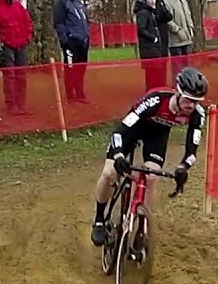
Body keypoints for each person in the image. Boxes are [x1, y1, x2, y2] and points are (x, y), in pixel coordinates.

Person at [89, 67, 208, 247]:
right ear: (177, 92)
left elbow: (192, 149)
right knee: (109, 173)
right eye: (188, 99)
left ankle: (142, 227)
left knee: (152, 176)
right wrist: (120, 155)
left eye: (196, 101)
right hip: (133, 130)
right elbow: (118, 133)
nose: (191, 105)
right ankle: (99, 219)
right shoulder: (154, 100)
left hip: (157, 135)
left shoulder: (196, 114)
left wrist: (184, 167)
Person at [52, 0, 90, 103]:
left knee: (81, 68)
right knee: (70, 69)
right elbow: (59, 23)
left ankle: (80, 92)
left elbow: (84, 20)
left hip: (83, 41)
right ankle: (70, 94)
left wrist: (87, 36)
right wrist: (65, 40)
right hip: (71, 42)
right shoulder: (61, 4)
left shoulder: (78, 3)